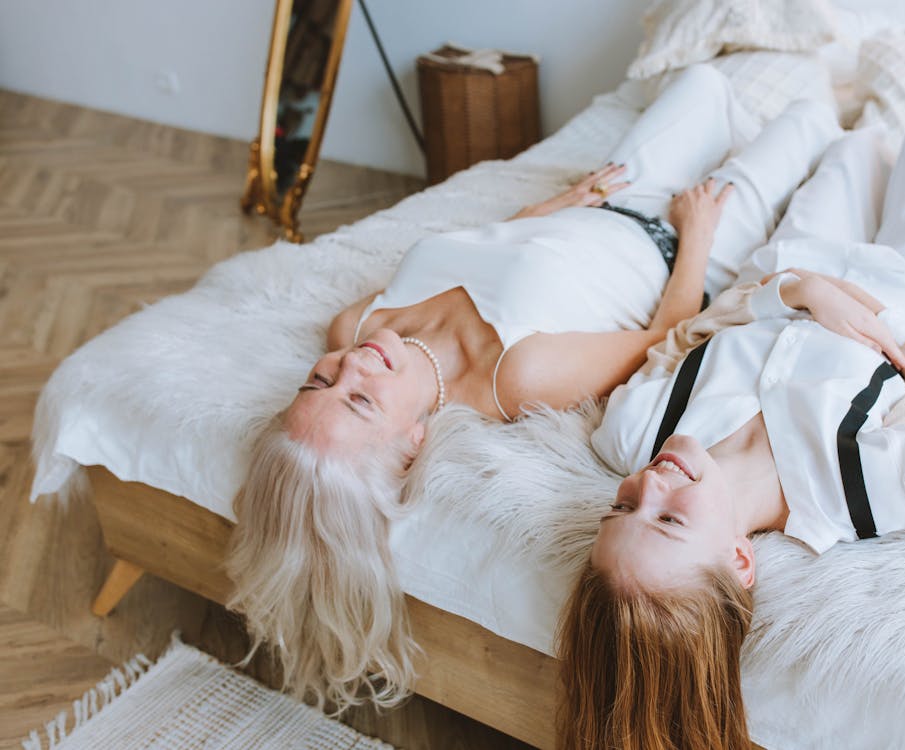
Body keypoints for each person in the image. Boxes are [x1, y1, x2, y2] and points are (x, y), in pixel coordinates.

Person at [226, 63, 844, 713]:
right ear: (411, 444)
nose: (350, 366)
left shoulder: (351, 326)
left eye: (317, 381)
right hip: (679, 244)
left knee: (704, 82)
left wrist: (552, 207)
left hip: (605, 198)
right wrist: (698, 229)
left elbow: (481, 247)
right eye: (359, 399)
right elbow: (673, 329)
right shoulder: (516, 378)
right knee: (805, 117)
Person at [556, 111, 905, 750]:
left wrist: (799, 292)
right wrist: (887, 323)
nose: (650, 485)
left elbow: (685, 337)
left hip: (790, 266)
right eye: (667, 521)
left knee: (858, 143)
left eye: (622, 507)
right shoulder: (875, 487)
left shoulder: (632, 431)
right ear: (739, 558)